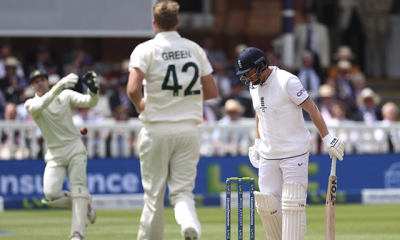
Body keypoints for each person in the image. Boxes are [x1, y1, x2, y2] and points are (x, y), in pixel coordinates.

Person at [126, 1, 218, 240]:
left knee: (154, 195)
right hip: (188, 130)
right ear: (177, 22)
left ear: (154, 23)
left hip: (156, 129)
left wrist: (139, 105)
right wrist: (187, 97)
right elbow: (212, 91)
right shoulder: (194, 49)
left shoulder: (145, 49)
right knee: (183, 192)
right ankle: (190, 225)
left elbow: (133, 89)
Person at [235, 47, 345, 240]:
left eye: (249, 72)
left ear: (261, 65)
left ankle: (297, 220)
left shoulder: (287, 81)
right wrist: (257, 142)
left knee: (292, 203)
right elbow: (259, 113)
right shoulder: (254, 85)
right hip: (269, 155)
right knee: (266, 205)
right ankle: (297, 222)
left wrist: (327, 138)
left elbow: (312, 109)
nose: (247, 77)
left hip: (295, 153)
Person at [24, 69, 98, 240]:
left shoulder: (65, 95)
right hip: (55, 154)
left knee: (78, 187)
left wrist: (94, 90)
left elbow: (90, 102)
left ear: (47, 81)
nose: (40, 83)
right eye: (36, 81)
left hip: (74, 148)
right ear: (32, 86)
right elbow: (39, 106)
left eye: (42, 79)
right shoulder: (30, 104)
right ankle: (84, 202)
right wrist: (59, 86)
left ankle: (77, 234)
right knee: (51, 194)